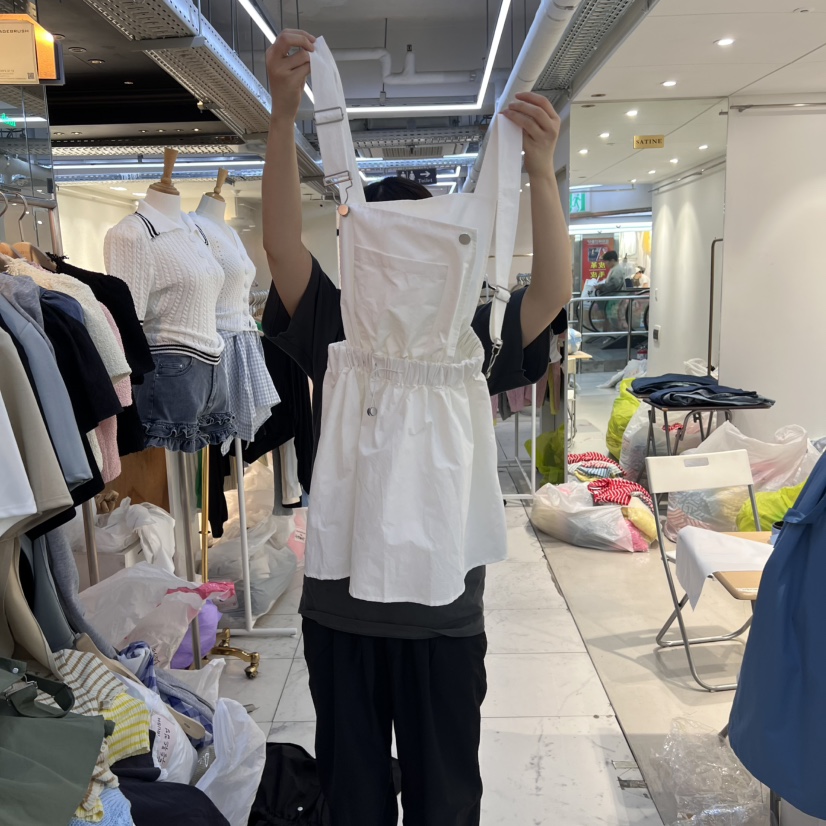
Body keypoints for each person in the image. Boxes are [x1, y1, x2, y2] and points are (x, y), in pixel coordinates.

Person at [261, 29, 572, 826]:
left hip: (434, 613)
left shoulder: (470, 333)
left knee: (441, 797)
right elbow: (282, 248)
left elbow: (549, 295)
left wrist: (541, 173)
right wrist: (283, 116)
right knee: (366, 797)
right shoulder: (338, 321)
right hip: (351, 609)